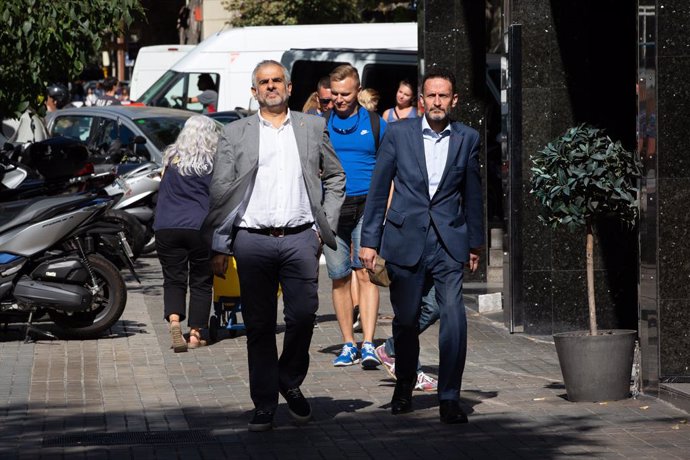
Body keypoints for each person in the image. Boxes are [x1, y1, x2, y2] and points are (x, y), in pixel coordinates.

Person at [203, 60, 345, 432]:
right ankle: (265, 401)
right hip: (252, 241)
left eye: (276, 81)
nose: (270, 87)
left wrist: (322, 227)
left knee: (303, 315)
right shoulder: (235, 133)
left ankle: (288, 378)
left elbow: (335, 177)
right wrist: (220, 245)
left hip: (301, 238)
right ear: (254, 91)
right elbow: (220, 192)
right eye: (263, 82)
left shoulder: (312, 126)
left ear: (290, 86)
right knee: (261, 326)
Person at [360, 67, 484, 424]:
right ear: (421, 100)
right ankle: (404, 386)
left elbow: (473, 194)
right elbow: (379, 188)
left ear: (454, 100)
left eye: (443, 95)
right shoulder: (397, 135)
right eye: (431, 95)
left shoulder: (467, 138)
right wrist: (369, 241)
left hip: (449, 240)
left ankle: (449, 396)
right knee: (407, 319)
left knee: (453, 315)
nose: (437, 102)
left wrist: (475, 242)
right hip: (405, 238)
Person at [324, 64, 386, 369]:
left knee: (366, 272)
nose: (338, 99)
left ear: (357, 90)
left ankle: (369, 344)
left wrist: (385, 207)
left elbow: (390, 169)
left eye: (345, 93)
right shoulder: (320, 123)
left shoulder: (375, 123)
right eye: (334, 93)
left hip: (367, 208)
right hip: (333, 211)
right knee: (339, 277)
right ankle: (348, 343)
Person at [153, 115, 219, 353]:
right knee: (201, 281)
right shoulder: (212, 161)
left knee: (173, 278)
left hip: (166, 226)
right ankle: (195, 333)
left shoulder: (171, 158)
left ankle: (173, 321)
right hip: (199, 226)